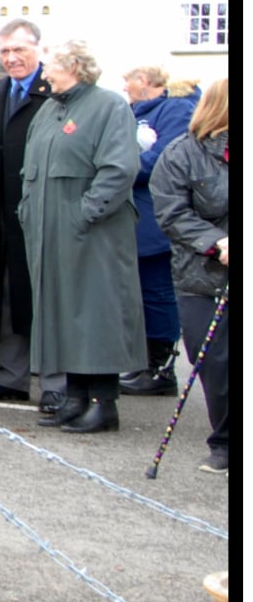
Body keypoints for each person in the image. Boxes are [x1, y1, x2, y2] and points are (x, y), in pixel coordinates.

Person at [19, 39, 146, 434]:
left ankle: (102, 402)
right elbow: (29, 171)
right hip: (48, 234)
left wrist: (84, 214)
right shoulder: (48, 111)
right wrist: (27, 211)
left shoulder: (109, 105)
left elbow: (119, 169)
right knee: (61, 314)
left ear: (73, 65)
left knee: (95, 314)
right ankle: (74, 396)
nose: (43, 72)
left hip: (93, 235)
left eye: (50, 65)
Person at [0, 20, 62, 412]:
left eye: (19, 50)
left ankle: (57, 382)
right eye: (5, 52)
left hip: (44, 212)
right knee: (7, 296)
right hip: (0, 215)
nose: (11, 58)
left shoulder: (55, 94)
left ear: (38, 49)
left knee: (49, 298)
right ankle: (11, 377)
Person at [150, 78, 231, 475]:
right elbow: (171, 213)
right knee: (217, 364)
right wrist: (217, 242)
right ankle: (226, 442)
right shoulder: (182, 154)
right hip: (203, 276)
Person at [120, 65, 196, 396]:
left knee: (158, 292)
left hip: (156, 216)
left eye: (129, 82)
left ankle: (161, 369)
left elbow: (164, 161)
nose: (125, 89)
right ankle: (143, 362)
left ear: (145, 83)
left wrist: (118, 167)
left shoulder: (176, 109)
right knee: (141, 293)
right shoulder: (133, 112)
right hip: (134, 216)